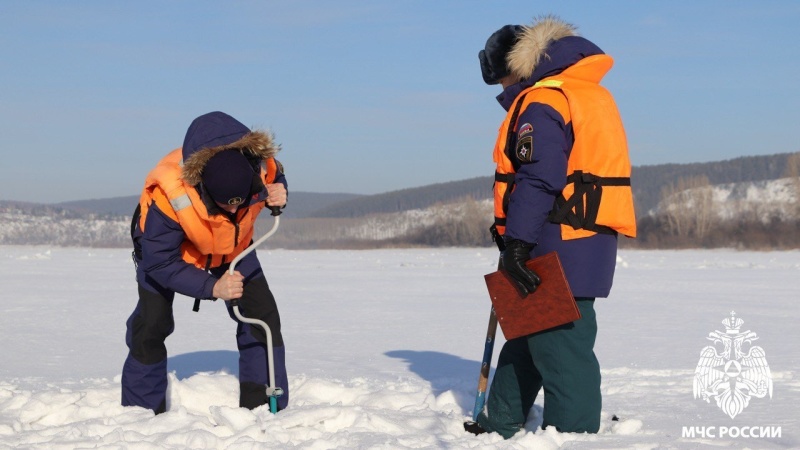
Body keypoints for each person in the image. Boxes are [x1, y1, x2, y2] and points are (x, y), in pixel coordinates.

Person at [468, 16, 636, 437]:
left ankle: (574, 437)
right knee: (527, 336)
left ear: (516, 67)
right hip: (575, 239)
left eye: (503, 79)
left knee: (563, 348)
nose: (504, 90)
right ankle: (499, 425)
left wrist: (518, 243)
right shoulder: (584, 93)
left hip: (556, 242)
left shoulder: (544, 101)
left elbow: (540, 176)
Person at [122, 111, 289, 414]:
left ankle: (264, 407)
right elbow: (160, 262)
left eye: (242, 202)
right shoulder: (170, 196)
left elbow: (277, 176)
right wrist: (213, 287)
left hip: (232, 248)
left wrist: (280, 193)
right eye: (226, 204)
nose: (234, 209)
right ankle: (140, 413)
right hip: (169, 252)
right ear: (205, 188)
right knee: (151, 324)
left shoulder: (260, 165)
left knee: (262, 319)